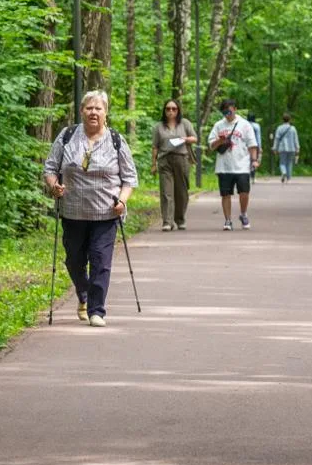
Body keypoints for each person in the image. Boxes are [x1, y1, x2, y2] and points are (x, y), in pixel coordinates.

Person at [43, 91, 139, 327]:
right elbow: (50, 168)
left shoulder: (116, 140)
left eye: (98, 108)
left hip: (106, 213)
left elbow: (129, 178)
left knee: (100, 260)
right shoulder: (67, 136)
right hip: (73, 212)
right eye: (89, 108)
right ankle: (83, 295)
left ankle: (97, 310)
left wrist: (123, 201)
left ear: (106, 113)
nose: (93, 112)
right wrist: (54, 186)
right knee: (74, 261)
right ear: (81, 111)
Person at [207, 98, 259, 231]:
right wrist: (219, 140)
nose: (227, 115)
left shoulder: (245, 124)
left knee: (244, 192)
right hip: (224, 166)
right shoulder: (218, 125)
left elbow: (252, 144)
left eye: (229, 112)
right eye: (224, 113)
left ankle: (243, 214)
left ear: (234, 109)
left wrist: (254, 160)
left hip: (242, 165)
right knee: (225, 194)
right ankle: (228, 220)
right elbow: (211, 146)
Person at [151, 99, 197, 231]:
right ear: (164, 111)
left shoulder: (185, 123)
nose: (171, 111)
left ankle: (180, 219)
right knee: (166, 192)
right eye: (168, 109)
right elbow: (155, 146)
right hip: (165, 160)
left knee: (181, 192)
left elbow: (194, 138)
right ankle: (167, 221)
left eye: (174, 109)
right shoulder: (159, 126)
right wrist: (153, 164)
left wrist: (185, 139)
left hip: (181, 159)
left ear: (178, 110)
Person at [273, 113, 300, 183]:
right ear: (289, 120)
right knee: (289, 163)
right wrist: (297, 147)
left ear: (282, 120)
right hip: (292, 148)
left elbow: (277, 138)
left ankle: (283, 172)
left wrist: (275, 148)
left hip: (282, 148)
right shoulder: (293, 128)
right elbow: (295, 139)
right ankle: (288, 179)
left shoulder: (279, 128)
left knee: (282, 162)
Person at [246, 113, 263, 182]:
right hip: (255, 145)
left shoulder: (245, 125)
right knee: (254, 160)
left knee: (247, 160)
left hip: (246, 145)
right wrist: (260, 147)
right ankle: (253, 177)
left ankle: (248, 175)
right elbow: (258, 137)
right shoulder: (257, 126)